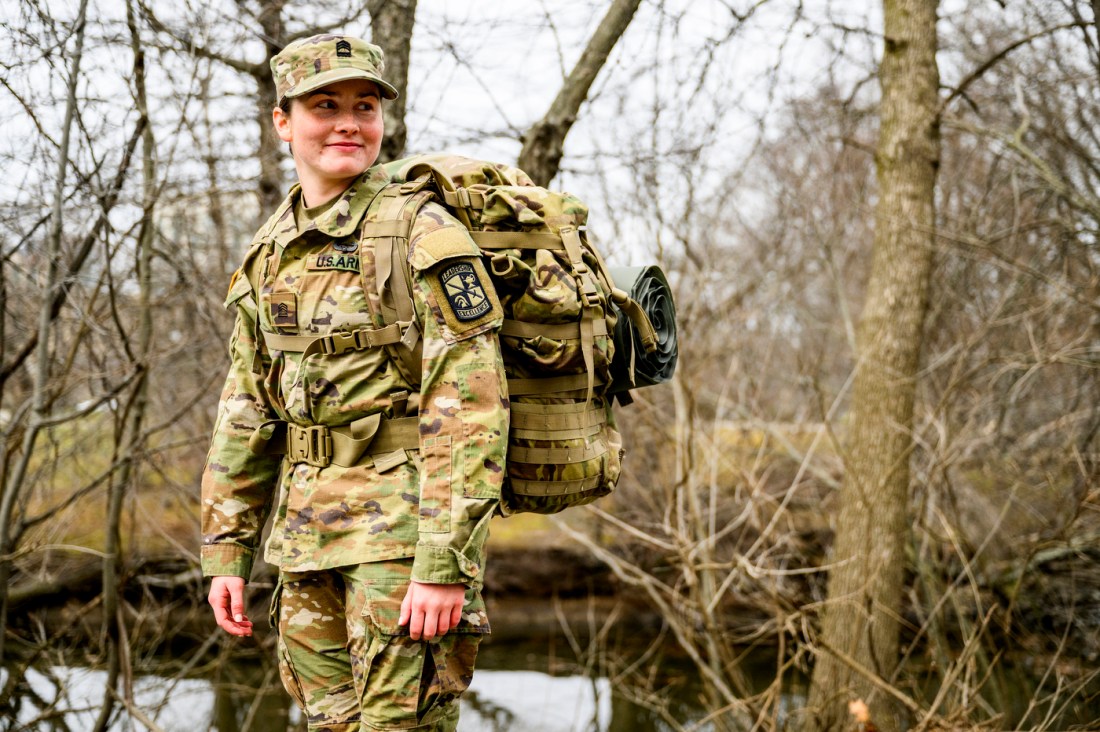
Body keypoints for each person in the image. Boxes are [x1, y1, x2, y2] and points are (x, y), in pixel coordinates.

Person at [200, 33, 508, 732]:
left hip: (402, 545)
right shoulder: (271, 248)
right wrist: (227, 551)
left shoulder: (420, 232)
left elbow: (471, 406)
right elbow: (247, 406)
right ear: (283, 121)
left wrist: (443, 563)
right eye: (324, 105)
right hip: (305, 543)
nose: (348, 122)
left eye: (364, 106)